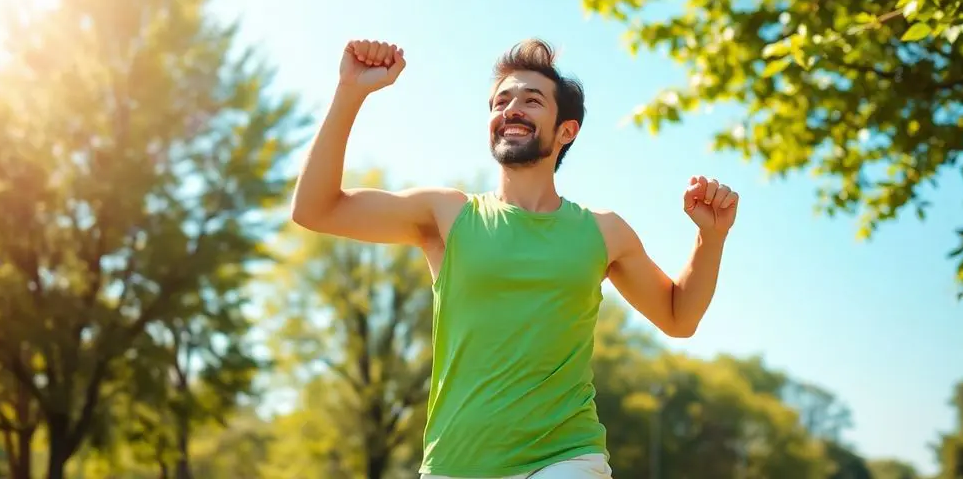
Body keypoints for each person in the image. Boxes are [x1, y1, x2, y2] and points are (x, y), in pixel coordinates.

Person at [291, 38, 740, 479]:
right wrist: (350, 91)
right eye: (500, 100)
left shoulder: (603, 232)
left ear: (567, 130)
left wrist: (711, 237)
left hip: (566, 457)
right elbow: (315, 209)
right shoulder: (447, 216)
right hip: (455, 463)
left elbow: (679, 317)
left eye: (531, 99)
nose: (511, 108)